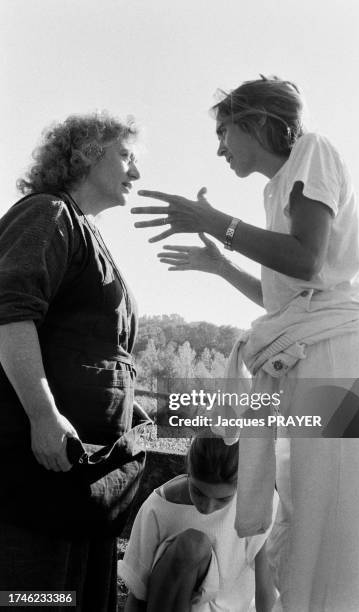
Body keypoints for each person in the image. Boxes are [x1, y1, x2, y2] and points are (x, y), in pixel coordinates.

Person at [131, 76, 359, 611]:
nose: (220, 147)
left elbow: (307, 260)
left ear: (257, 121)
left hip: (341, 368)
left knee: (338, 532)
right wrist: (222, 264)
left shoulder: (313, 152)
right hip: (313, 365)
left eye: (225, 130)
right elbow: (287, 303)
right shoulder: (277, 190)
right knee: (304, 524)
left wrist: (214, 221)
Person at [0, 112, 142, 611]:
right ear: (84, 154)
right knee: (34, 598)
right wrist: (42, 413)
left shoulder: (88, 231)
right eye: (125, 155)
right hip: (38, 471)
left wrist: (135, 420)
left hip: (81, 478)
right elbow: (9, 314)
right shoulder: (47, 214)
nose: (136, 172)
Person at [119, 435, 275, 612]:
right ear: (189, 470)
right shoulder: (158, 508)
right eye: (199, 492)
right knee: (192, 544)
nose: (207, 507)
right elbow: (138, 593)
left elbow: (266, 588)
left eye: (222, 499)